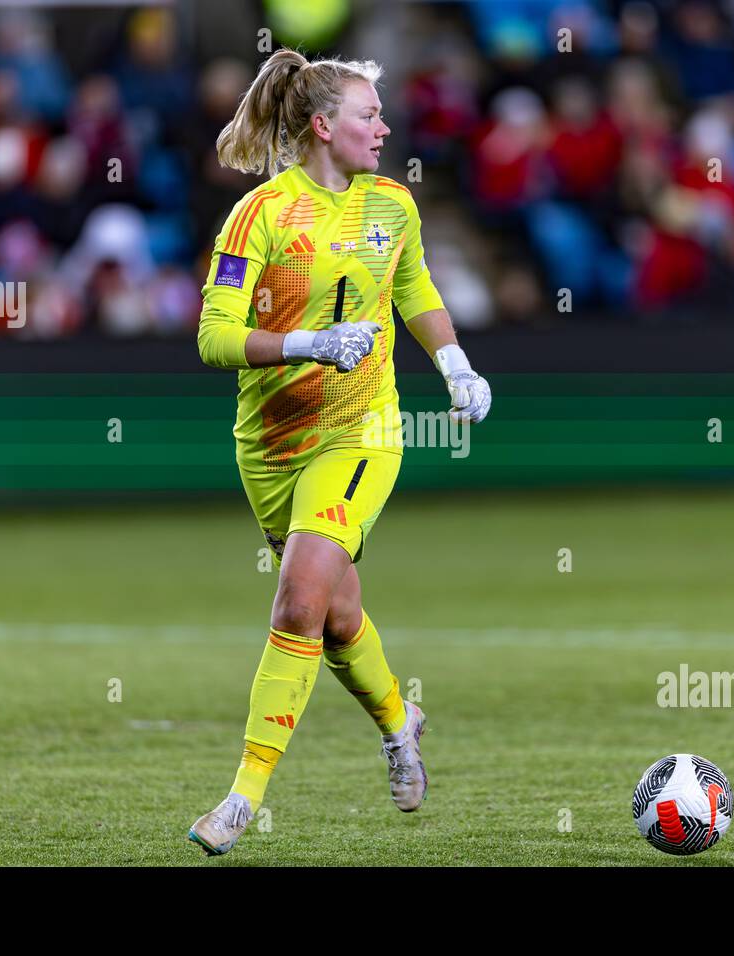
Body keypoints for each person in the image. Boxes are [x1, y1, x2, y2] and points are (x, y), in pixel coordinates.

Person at [187, 49, 492, 856]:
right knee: (337, 614)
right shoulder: (258, 215)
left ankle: (242, 799)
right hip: (271, 445)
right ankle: (400, 721)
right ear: (324, 126)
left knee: (296, 601)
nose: (384, 128)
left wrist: (454, 363)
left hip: (364, 431)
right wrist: (309, 342)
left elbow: (415, 287)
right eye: (369, 115)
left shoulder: (393, 205)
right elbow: (213, 336)